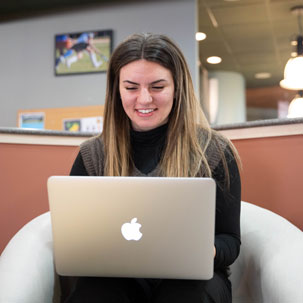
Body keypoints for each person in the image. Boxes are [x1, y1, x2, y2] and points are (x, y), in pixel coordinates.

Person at [60, 33, 241, 303]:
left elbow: (230, 240)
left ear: (177, 87)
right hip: (117, 279)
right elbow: (76, 240)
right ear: (116, 90)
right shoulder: (92, 155)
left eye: (157, 86)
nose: (144, 99)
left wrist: (205, 250)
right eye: (131, 87)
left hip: (192, 283)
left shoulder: (214, 151)